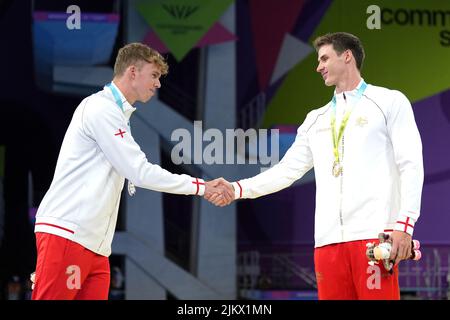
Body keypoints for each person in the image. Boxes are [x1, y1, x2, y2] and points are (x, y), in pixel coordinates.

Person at [207, 32, 424, 300]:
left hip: (374, 237)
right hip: (327, 243)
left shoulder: (389, 102)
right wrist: (237, 188)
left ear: (347, 56)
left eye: (324, 58)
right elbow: (285, 172)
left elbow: (411, 164)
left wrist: (405, 225)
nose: (318, 66)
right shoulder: (315, 119)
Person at [31, 43, 232, 300]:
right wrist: (201, 187)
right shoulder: (100, 109)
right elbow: (140, 172)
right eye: (154, 75)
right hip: (68, 233)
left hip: (96, 246)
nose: (158, 84)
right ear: (133, 72)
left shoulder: (117, 115)